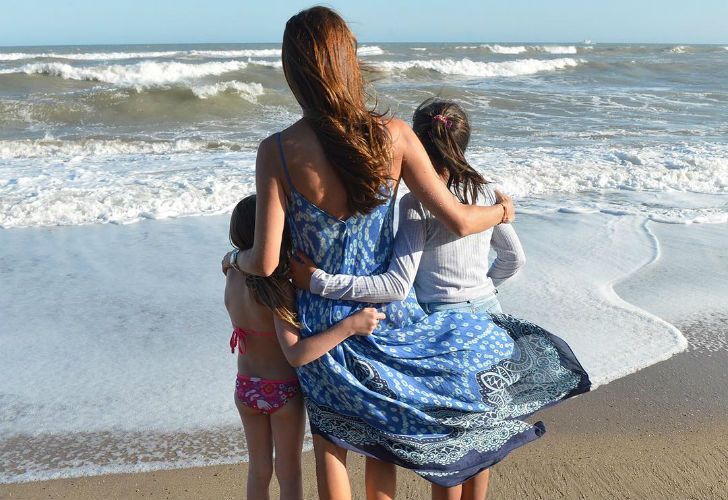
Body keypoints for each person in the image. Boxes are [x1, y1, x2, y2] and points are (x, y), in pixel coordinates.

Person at [222, 7, 589, 500]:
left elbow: (265, 264)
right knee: (384, 444)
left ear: (295, 72)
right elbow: (457, 219)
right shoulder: (394, 134)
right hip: (387, 314)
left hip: (320, 322)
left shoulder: (277, 149)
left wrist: (235, 260)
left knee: (331, 443)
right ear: (347, 61)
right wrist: (502, 214)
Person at [289, 97, 526, 498]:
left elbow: (398, 284)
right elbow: (514, 258)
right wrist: (485, 289)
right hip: (489, 318)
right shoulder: (488, 194)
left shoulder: (416, 204)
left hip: (443, 329)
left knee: (451, 446)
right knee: (485, 432)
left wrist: (319, 282)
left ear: (417, 143)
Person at [224, 195, 385, 500]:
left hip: (245, 388)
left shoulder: (230, 272)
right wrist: (349, 326)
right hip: (281, 391)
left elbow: (233, 258)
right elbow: (296, 354)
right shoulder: (278, 284)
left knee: (258, 472)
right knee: (288, 473)